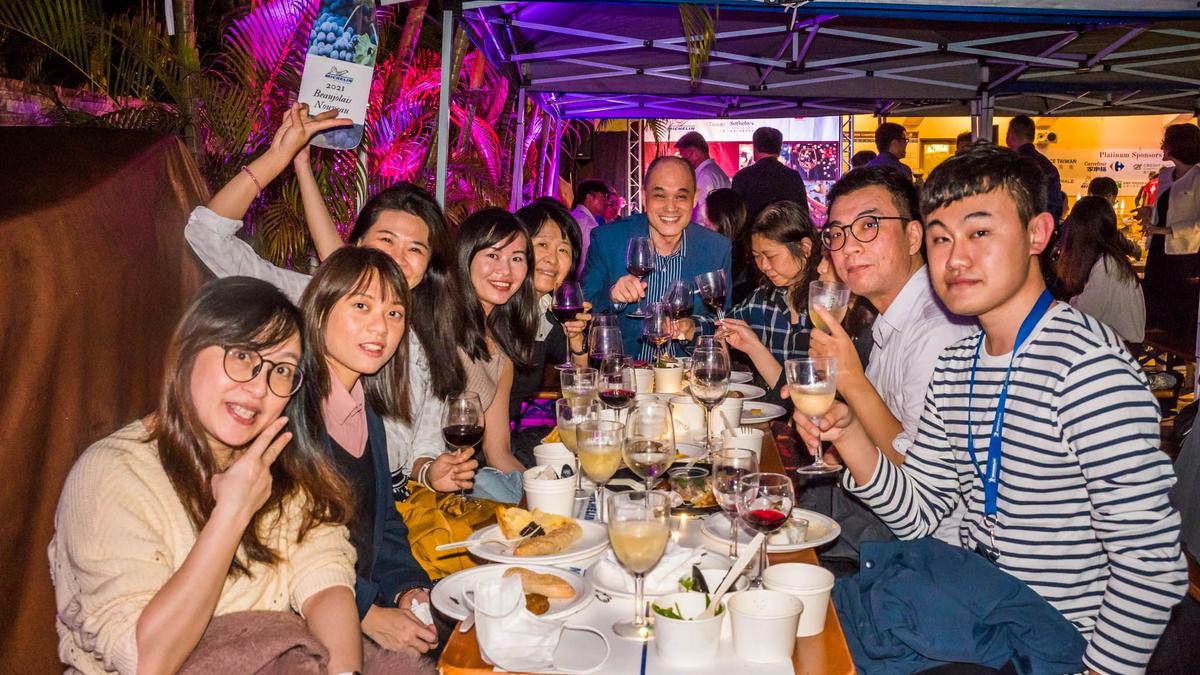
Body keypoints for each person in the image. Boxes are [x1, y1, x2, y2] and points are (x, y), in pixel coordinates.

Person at [793, 143, 1187, 674]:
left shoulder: (1087, 368)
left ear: (1037, 234)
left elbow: (1152, 566)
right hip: (974, 610)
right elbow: (920, 512)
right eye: (942, 238)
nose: (955, 258)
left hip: (1053, 641)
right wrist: (848, 435)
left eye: (979, 232)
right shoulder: (959, 363)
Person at [50, 277, 367, 675]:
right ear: (188, 350)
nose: (259, 387)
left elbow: (325, 581)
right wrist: (231, 513)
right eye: (242, 355)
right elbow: (148, 661)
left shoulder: (281, 465)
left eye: (282, 369)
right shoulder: (111, 474)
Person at [184, 103, 475, 504]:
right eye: (386, 241)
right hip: (311, 497)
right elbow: (207, 236)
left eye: (415, 249)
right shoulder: (311, 300)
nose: (397, 258)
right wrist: (280, 158)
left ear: (427, 268)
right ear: (358, 244)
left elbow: (420, 449)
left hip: (394, 507)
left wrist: (430, 471)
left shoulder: (425, 339)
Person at [808, 167, 975, 551]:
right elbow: (878, 435)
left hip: (926, 553)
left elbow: (916, 481)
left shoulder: (939, 334)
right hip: (876, 521)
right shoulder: (893, 319)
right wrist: (839, 432)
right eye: (837, 233)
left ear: (914, 236)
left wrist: (852, 380)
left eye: (868, 226)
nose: (848, 247)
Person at [298, 247, 439, 657]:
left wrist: (407, 589)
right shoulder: (290, 413)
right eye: (361, 306)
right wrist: (366, 614)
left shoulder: (367, 412)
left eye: (394, 313)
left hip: (363, 598)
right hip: (307, 614)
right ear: (320, 310)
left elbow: (385, 525)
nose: (380, 327)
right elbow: (284, 545)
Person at [582, 155, 732, 360]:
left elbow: (722, 322)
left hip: (686, 375)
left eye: (681, 196)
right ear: (645, 196)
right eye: (660, 196)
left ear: (695, 197)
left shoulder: (716, 249)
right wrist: (613, 297)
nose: (670, 207)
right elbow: (582, 313)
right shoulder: (608, 241)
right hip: (622, 373)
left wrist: (692, 327)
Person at [450, 207, 540, 496]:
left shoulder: (501, 351)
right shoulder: (440, 327)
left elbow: (498, 452)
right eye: (493, 255)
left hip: (469, 480)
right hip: (425, 485)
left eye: (517, 258)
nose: (506, 271)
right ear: (466, 255)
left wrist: (542, 494)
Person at [510, 198, 592, 464]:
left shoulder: (549, 312)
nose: (552, 259)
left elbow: (581, 392)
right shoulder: (497, 307)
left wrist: (577, 340)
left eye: (563, 250)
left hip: (507, 439)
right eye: (542, 245)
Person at [720, 201, 821, 390]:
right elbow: (723, 324)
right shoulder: (763, 299)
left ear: (805, 247)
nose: (764, 266)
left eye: (771, 256)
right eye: (757, 256)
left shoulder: (828, 306)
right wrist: (690, 327)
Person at [1055, 196, 1146, 345]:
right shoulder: (1110, 261)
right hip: (1114, 343)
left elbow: (1084, 313)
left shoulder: (1107, 266)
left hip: (1119, 348)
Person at [1140, 123, 1200, 343]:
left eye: (1166, 143)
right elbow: (1164, 209)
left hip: (1183, 253)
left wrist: (1166, 230)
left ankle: (1176, 350)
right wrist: (1149, 212)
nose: (1162, 148)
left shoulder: (1197, 178)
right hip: (1158, 248)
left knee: (1176, 308)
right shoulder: (1165, 175)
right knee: (1154, 302)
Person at [731, 126, 810, 221]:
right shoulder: (793, 177)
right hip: (785, 230)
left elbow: (735, 217)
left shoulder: (742, 177)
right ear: (779, 150)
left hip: (752, 230)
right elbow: (803, 216)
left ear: (755, 148)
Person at [1005, 115, 1063, 223]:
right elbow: (1056, 205)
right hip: (1044, 227)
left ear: (1011, 135)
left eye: (1007, 134)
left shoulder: (1010, 164)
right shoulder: (1048, 167)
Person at [704, 187, 754, 306]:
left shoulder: (727, 258)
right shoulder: (743, 250)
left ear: (720, 221)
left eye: (705, 218)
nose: (703, 223)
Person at [675, 130, 731, 229]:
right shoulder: (714, 171)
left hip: (707, 231)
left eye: (683, 155)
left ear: (694, 154)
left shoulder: (705, 175)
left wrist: (695, 233)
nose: (682, 160)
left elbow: (701, 214)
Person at [1083, 176, 1142, 260]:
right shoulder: (1103, 213)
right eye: (1114, 201)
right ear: (1109, 196)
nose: (1114, 204)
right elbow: (1115, 237)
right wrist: (1136, 250)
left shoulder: (1078, 210)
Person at [570, 179, 609, 265]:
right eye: (603, 197)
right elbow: (589, 260)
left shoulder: (572, 216)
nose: (607, 202)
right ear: (589, 197)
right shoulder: (588, 224)